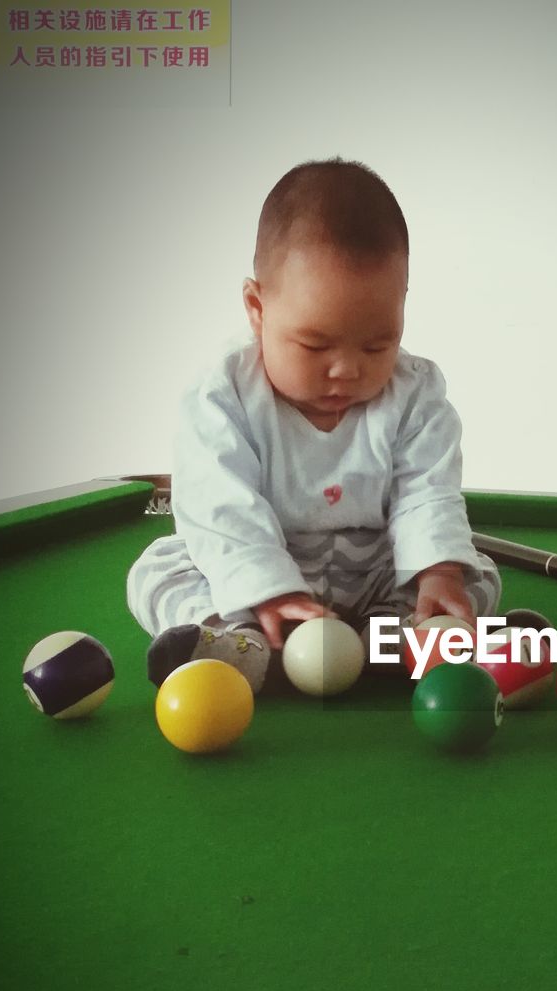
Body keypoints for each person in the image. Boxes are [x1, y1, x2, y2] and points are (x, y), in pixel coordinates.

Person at [127, 158, 501, 692]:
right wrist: (271, 591)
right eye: (315, 344)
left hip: (370, 573)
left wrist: (436, 571)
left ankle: (391, 636)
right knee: (158, 569)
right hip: (254, 571)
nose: (347, 369)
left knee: (476, 571)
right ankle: (236, 641)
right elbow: (220, 506)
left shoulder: (416, 392)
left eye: (378, 343)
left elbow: (427, 493)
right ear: (257, 309)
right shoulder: (221, 395)